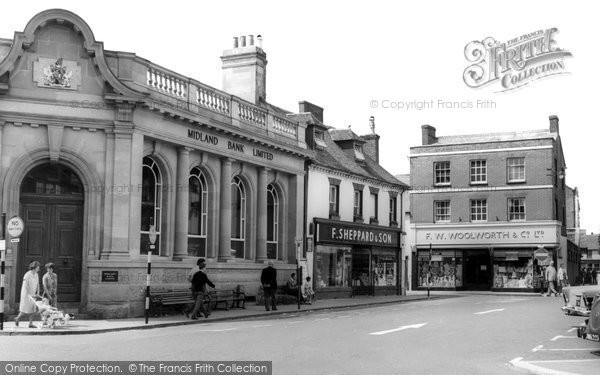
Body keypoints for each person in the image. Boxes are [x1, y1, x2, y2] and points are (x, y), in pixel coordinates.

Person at [14, 261, 41, 328]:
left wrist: (38, 292)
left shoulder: (36, 275)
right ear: (34, 267)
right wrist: (30, 294)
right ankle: (17, 318)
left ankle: (30, 323)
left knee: (33, 309)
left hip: (33, 294)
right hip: (26, 294)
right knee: (24, 309)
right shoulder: (27, 275)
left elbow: (38, 284)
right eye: (38, 267)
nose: (39, 269)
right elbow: (25, 286)